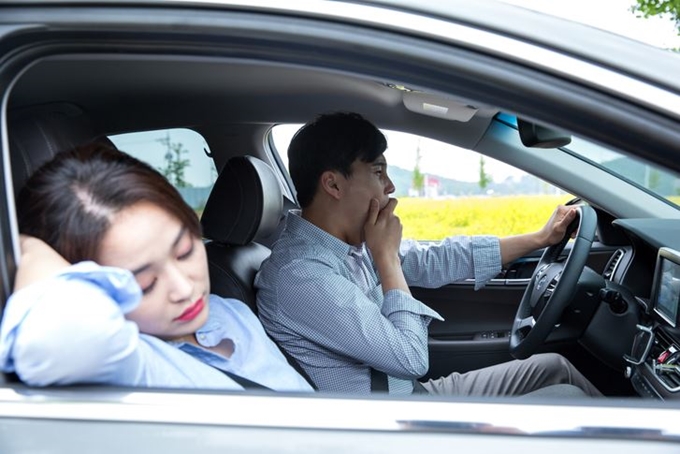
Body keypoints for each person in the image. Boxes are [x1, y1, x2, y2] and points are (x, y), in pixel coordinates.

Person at [255, 112, 602, 397]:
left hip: (412, 394)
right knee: (568, 402)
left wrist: (540, 238)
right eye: (378, 172)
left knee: (555, 369)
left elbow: (439, 258)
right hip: (390, 425)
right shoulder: (300, 275)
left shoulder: (348, 247)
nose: (390, 186)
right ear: (333, 185)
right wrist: (387, 258)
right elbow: (410, 358)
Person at [0, 143, 313, 392]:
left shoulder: (231, 312)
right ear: (88, 283)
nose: (185, 288)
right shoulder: (129, 363)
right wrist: (27, 246)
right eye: (145, 284)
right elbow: (53, 337)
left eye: (185, 251)